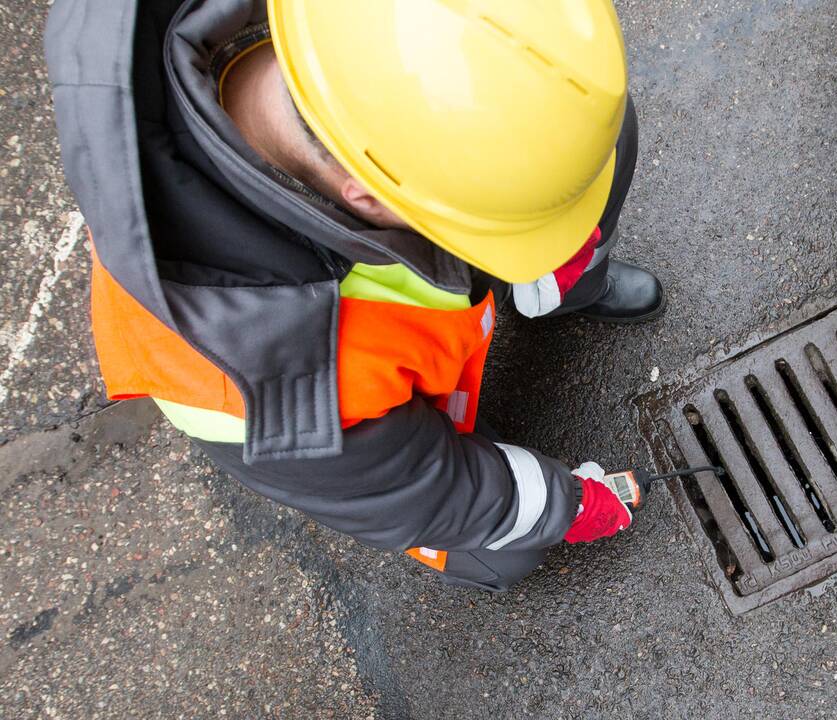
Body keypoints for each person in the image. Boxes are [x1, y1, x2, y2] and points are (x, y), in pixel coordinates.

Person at [46, 0, 663, 591]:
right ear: (366, 195)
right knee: (503, 548)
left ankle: (565, 289)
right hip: (338, 428)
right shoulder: (276, 393)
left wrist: (554, 241)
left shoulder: (335, 40)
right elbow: (435, 489)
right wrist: (571, 504)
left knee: (590, 160)